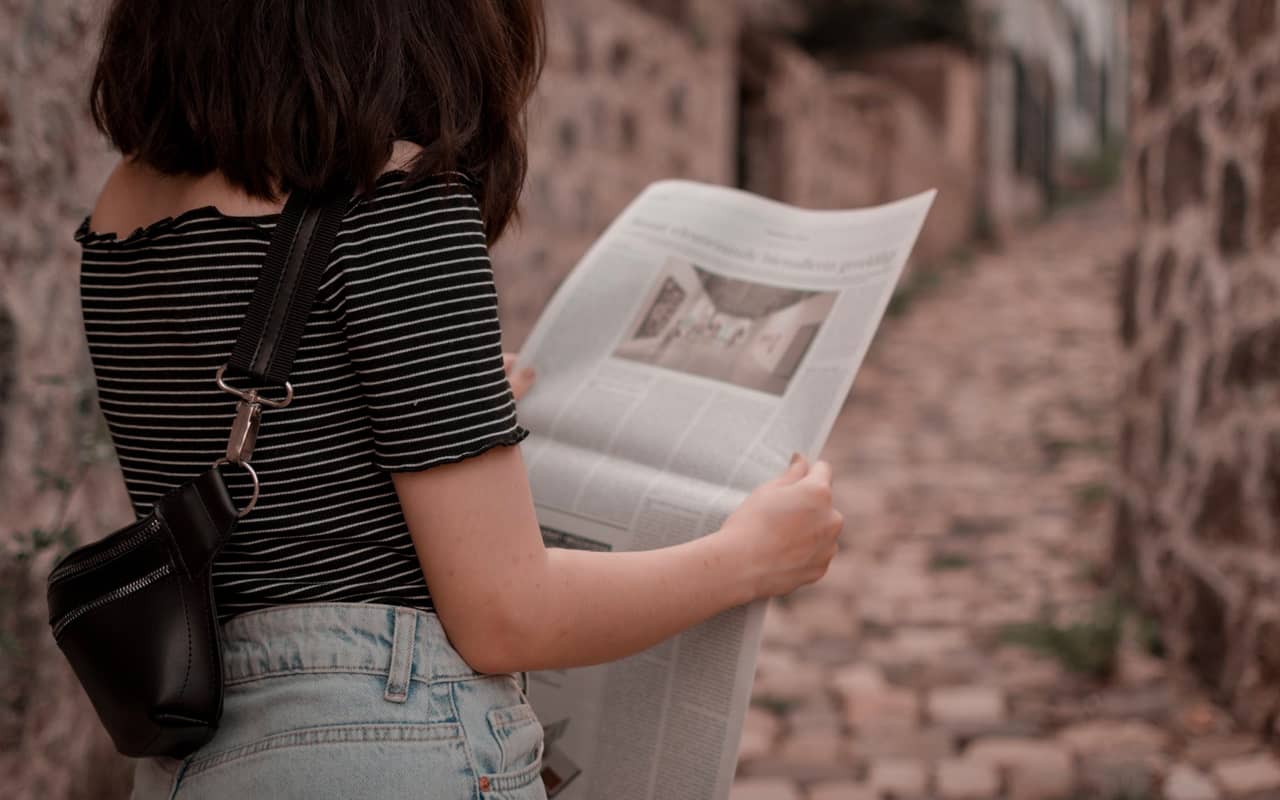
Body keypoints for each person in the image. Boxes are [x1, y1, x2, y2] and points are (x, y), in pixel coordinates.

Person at [78, 1, 843, 797]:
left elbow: (263, 487)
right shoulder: (393, 198)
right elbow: (507, 614)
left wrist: (448, 400)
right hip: (384, 745)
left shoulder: (122, 203)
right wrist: (748, 558)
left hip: (194, 762)